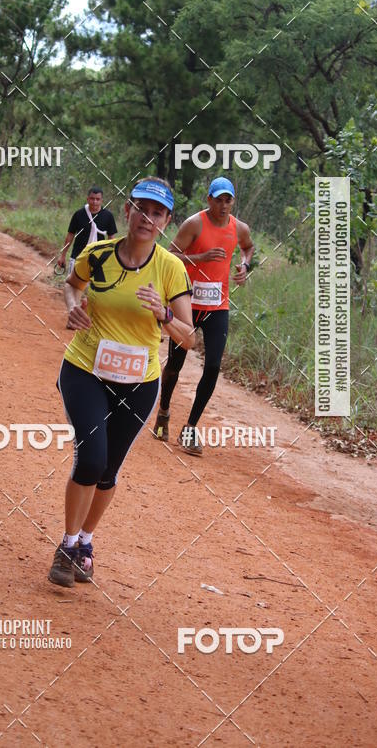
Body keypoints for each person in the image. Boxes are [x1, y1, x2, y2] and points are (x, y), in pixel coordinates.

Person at [48, 177, 195, 588]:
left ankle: (86, 545)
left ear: (166, 221)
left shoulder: (170, 268)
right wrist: (74, 308)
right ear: (127, 210)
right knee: (91, 458)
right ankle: (67, 544)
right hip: (85, 370)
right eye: (142, 209)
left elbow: (190, 336)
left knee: (109, 469)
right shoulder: (97, 254)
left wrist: (163, 315)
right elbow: (72, 286)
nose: (148, 219)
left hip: (138, 382)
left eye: (158, 213)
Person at [153, 176, 254, 457]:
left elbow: (249, 247)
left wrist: (245, 266)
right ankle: (163, 410)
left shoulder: (239, 228)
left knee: (212, 367)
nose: (223, 205)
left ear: (233, 201)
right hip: (188, 303)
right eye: (218, 199)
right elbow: (169, 255)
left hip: (218, 307)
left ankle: (191, 428)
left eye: (228, 200)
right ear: (208, 200)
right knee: (175, 363)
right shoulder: (194, 224)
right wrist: (200, 258)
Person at [57, 187, 118, 276]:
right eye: (92, 199)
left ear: (102, 200)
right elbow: (70, 235)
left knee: (93, 288)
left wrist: (111, 258)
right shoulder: (79, 214)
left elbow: (111, 239)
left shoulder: (108, 216)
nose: (95, 202)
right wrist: (62, 255)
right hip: (77, 256)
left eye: (97, 199)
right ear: (87, 199)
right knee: (71, 285)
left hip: (98, 259)